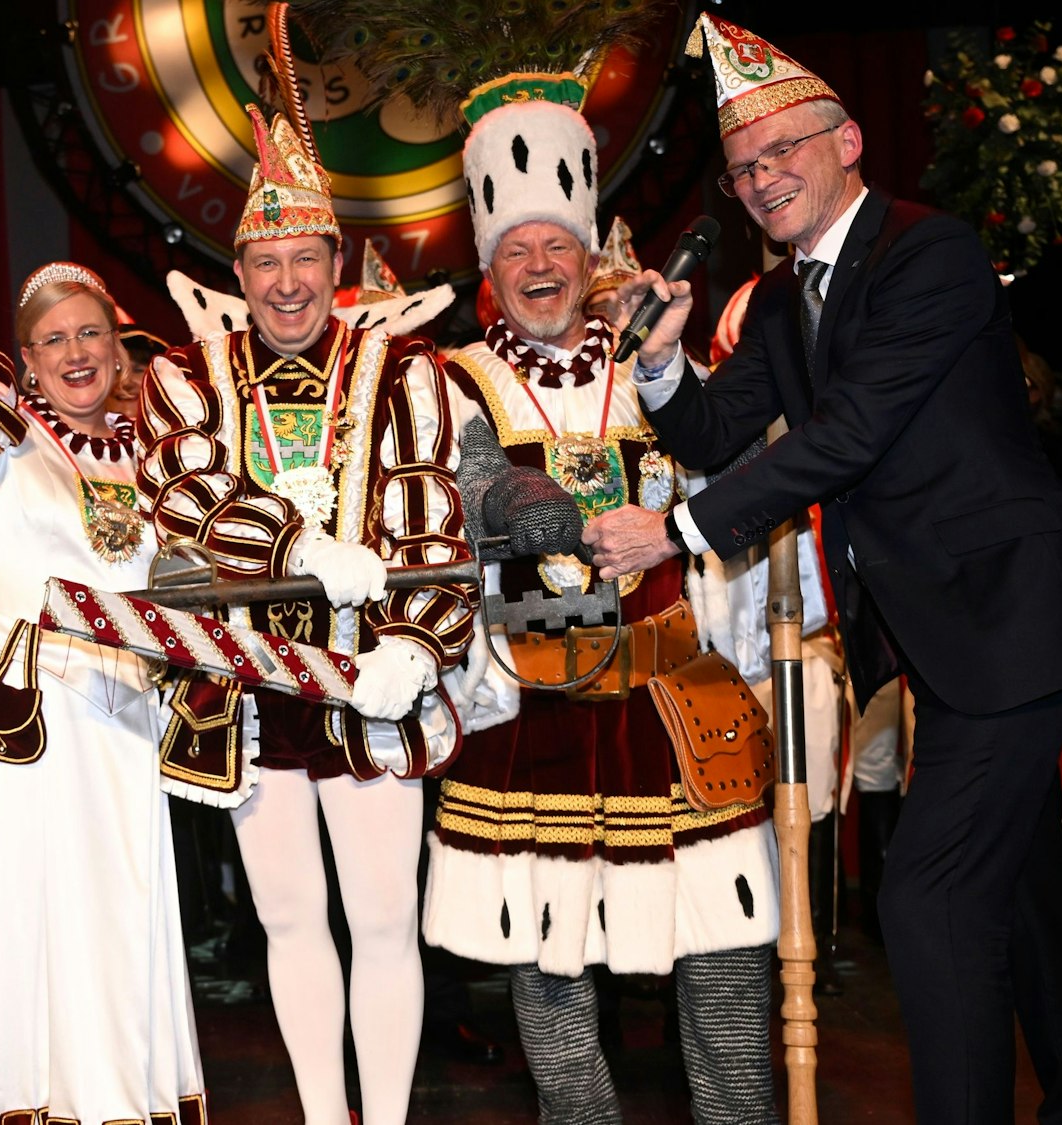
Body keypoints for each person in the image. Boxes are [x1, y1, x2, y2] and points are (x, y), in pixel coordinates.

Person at [581, 15, 1062, 1122]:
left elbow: (850, 435)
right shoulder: (782, 301)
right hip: (943, 638)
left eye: (782, 151)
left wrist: (676, 536)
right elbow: (709, 429)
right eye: (741, 169)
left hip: (1016, 621)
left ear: (847, 143)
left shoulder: (929, 253)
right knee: (1020, 896)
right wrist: (657, 361)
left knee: (926, 896)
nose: (761, 178)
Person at [418, 64, 781, 1125]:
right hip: (534, 712)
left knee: (721, 948)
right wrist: (496, 495)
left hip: (673, 700)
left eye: (555, 248)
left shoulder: (657, 363)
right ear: (489, 268)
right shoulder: (453, 381)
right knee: (547, 954)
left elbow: (731, 485)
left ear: (587, 258)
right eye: (515, 251)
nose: (538, 265)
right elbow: (447, 484)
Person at [138, 78, 473, 1121]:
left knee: (381, 922)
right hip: (248, 694)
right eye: (266, 263)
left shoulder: (406, 370)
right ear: (237, 272)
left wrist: (416, 651)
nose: (286, 284)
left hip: (371, 686)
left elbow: (433, 522)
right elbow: (181, 495)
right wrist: (297, 544)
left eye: (305, 262)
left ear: (336, 267)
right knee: (288, 923)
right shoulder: (185, 377)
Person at [0, 260, 205, 1123]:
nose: (75, 351)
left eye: (90, 332)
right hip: (13, 711)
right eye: (54, 338)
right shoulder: (2, 436)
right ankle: (2, 1102)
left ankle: (110, 1103)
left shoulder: (159, 457)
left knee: (113, 916)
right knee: (10, 909)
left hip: (122, 715)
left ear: (118, 345)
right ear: (25, 360)